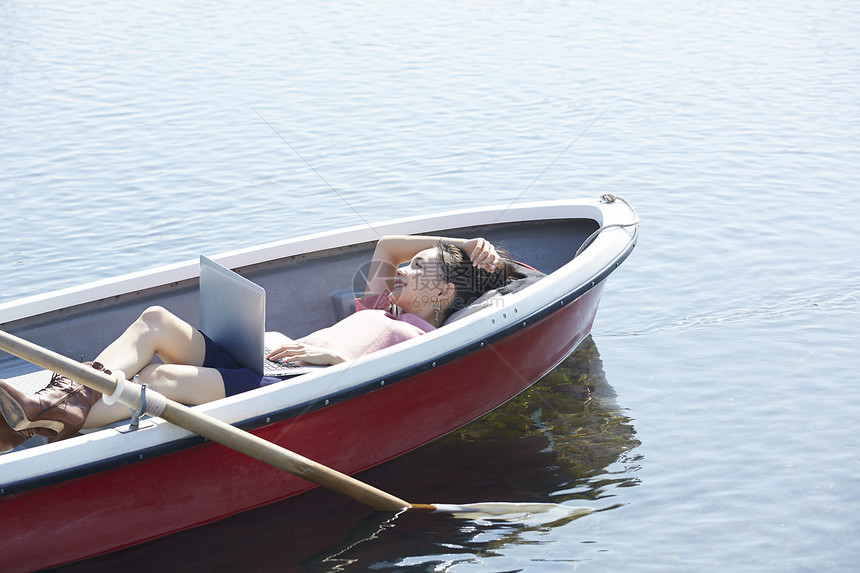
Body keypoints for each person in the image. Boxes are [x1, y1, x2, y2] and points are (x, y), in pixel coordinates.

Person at [0, 235, 515, 452]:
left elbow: (387, 373)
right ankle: (53, 404)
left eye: (419, 269)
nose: (402, 269)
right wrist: (463, 244)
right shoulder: (381, 307)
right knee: (155, 319)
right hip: (263, 354)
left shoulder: (427, 334)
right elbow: (387, 246)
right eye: (406, 267)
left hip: (286, 381)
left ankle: (48, 421)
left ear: (446, 291)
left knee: (158, 380)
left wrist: (333, 359)